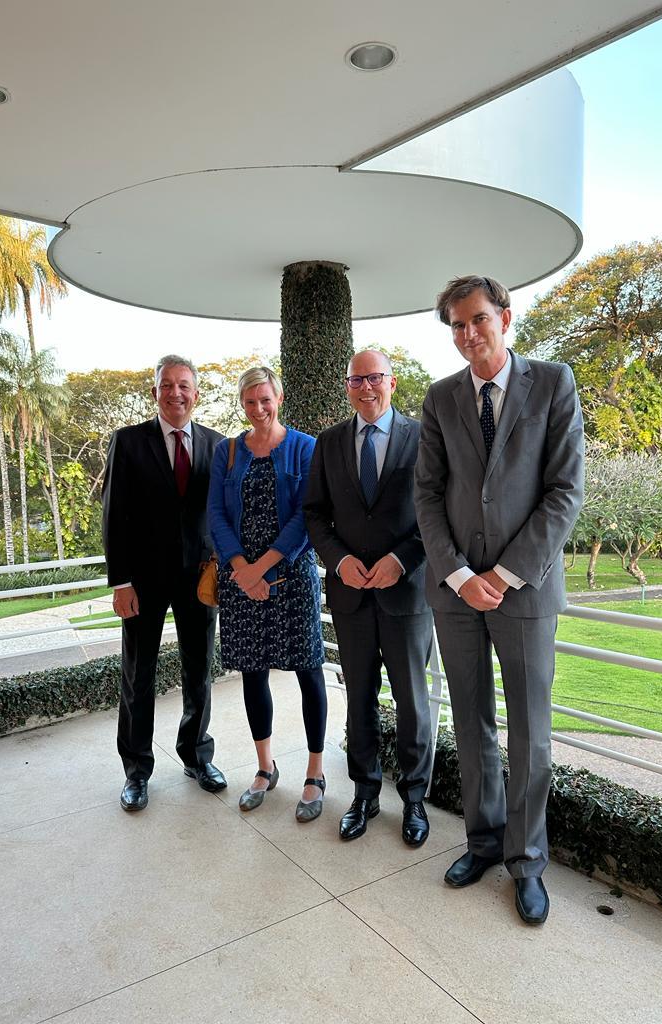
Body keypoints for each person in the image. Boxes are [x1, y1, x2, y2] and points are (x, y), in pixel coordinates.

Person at [414, 275, 584, 925]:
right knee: (471, 723)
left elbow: (565, 492)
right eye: (456, 325)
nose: (468, 334)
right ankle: (483, 844)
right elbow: (428, 494)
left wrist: (507, 573)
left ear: (505, 318)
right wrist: (459, 575)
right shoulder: (440, 398)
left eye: (477, 319)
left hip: (525, 591)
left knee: (531, 733)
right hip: (457, 594)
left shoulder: (554, 383)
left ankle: (528, 862)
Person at [303, 350, 433, 847]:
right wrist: (339, 561)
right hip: (351, 595)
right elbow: (315, 513)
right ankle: (364, 794)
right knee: (358, 698)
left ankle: (415, 798)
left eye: (374, 377)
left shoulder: (424, 437)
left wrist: (402, 559)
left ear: (392, 383)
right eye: (356, 380)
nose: (366, 388)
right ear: (347, 386)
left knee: (412, 701)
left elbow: (438, 512)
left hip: (407, 593)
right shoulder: (330, 442)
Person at [102, 355, 228, 812]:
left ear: (196, 393)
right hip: (144, 580)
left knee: (200, 671)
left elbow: (223, 512)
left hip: (200, 579)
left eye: (184, 385)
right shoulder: (128, 441)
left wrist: (225, 562)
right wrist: (121, 581)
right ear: (155, 392)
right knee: (138, 674)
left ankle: (197, 756)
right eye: (167, 385)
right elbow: (115, 514)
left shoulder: (218, 445)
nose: (176, 393)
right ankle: (136, 770)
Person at [207, 367, 327, 821]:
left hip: (291, 578)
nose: (259, 409)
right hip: (239, 581)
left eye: (265, 400)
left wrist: (262, 568)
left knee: (308, 672)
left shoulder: (305, 447)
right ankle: (264, 767)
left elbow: (307, 515)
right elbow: (215, 514)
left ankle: (315, 772)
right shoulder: (227, 452)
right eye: (250, 401)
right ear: (242, 403)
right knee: (252, 674)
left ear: (279, 398)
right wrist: (242, 570)